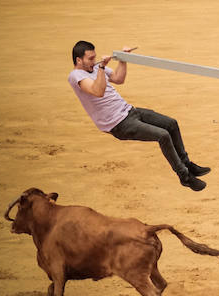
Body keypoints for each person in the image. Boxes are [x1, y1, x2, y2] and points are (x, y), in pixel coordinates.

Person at [68, 41, 210, 191]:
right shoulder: (76, 76)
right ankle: (184, 176)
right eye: (90, 59)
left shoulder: (95, 68)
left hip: (129, 111)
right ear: (78, 60)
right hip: (118, 124)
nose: (93, 61)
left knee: (171, 124)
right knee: (163, 135)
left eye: (94, 57)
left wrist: (123, 59)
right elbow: (98, 91)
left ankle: (187, 164)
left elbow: (118, 78)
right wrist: (102, 68)